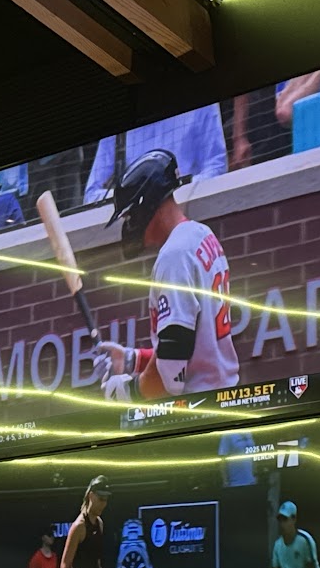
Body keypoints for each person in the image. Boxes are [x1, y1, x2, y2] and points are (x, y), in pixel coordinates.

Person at [92, 149, 239, 403]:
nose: (129, 224)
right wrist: (133, 359)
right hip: (223, 399)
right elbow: (190, 349)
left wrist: (128, 391)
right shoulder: (201, 235)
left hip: (199, 411)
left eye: (129, 215)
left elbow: (171, 375)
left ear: (147, 205)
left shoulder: (174, 255)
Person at [82, 107, 226, 203]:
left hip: (189, 211)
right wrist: (132, 194)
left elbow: (216, 169)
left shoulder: (200, 104)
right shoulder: (118, 119)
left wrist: (174, 190)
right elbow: (91, 196)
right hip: (138, 223)